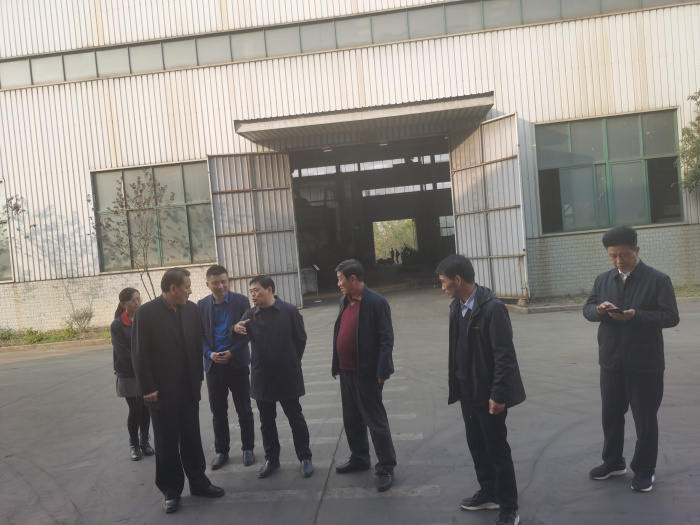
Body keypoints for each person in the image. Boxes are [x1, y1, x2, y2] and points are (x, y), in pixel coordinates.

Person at [583, 226, 679, 493]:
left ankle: (645, 470)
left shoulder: (658, 280)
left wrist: (636, 315)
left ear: (636, 250)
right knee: (611, 415)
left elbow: (671, 317)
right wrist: (599, 311)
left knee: (644, 419)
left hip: (645, 363)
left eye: (624, 255)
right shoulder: (603, 280)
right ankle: (613, 462)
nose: (618, 261)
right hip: (611, 361)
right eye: (612, 255)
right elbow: (587, 308)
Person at [436, 254, 525, 525]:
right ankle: (489, 492)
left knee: (497, 449)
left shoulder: (492, 308)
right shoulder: (457, 306)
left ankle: (509, 507)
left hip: (488, 394)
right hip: (467, 390)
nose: (442, 287)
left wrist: (498, 394)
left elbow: (505, 356)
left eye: (444, 282)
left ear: (458, 280)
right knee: (476, 444)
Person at [132, 268, 224, 514]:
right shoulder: (146, 313)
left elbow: (196, 345)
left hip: (188, 388)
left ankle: (199, 482)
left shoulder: (191, 310)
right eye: (187, 287)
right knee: (166, 441)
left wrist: (198, 377)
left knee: (192, 437)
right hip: (160, 391)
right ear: (173, 289)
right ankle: (171, 491)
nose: (190, 291)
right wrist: (147, 387)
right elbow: (139, 353)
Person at [232, 276, 313, 480]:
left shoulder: (289, 311)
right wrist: (234, 329)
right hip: (262, 376)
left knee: (296, 418)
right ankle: (272, 459)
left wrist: (290, 361)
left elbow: (300, 340)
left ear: (269, 289)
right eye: (251, 290)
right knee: (266, 421)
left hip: (287, 375)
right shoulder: (250, 314)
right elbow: (237, 337)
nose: (252, 294)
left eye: (256, 290)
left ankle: (305, 457)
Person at [332, 259, 397, 492]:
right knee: (352, 419)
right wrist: (336, 364)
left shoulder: (376, 302)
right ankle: (359, 457)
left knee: (375, 421)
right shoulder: (344, 300)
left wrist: (382, 370)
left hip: (367, 374)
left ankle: (386, 467)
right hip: (346, 372)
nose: (338, 283)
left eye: (340, 279)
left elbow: (386, 339)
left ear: (353, 279)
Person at [198, 264, 255, 471]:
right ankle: (222, 451)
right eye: (216, 283)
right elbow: (200, 336)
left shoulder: (241, 301)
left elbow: (248, 332)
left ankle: (248, 448)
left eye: (224, 282)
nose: (221, 286)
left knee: (244, 409)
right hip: (214, 366)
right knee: (218, 411)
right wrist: (209, 354)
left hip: (236, 363)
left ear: (228, 281)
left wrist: (232, 352)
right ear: (208, 284)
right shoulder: (201, 305)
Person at [111, 287, 154, 461]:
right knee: (135, 408)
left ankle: (144, 442)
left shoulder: (144, 319)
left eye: (138, 299)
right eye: (133, 300)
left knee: (146, 407)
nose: (137, 303)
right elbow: (122, 351)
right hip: (128, 372)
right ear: (123, 304)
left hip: (145, 371)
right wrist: (140, 365)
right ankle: (134, 444)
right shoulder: (117, 324)